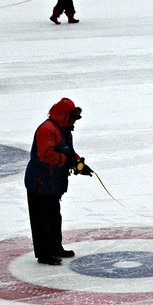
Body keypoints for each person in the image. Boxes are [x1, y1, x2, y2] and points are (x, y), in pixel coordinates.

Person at [23, 98, 93, 266]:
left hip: (52, 183)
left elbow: (68, 151)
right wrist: (67, 161)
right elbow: (45, 155)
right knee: (42, 219)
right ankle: (44, 253)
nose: (73, 123)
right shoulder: (47, 130)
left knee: (54, 216)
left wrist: (78, 164)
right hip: (39, 183)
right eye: (72, 119)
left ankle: (55, 247)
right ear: (64, 116)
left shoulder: (63, 129)